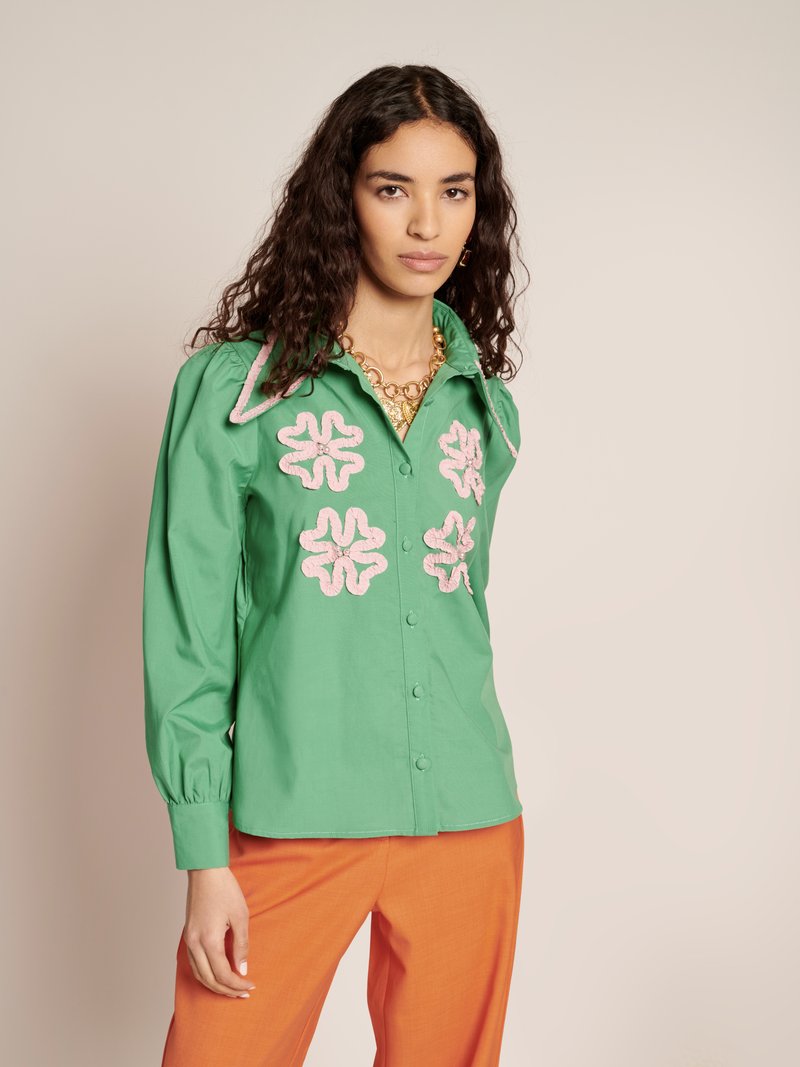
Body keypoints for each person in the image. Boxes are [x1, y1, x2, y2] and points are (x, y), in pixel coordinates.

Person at [143, 63, 530, 1067]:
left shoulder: (483, 408)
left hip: (467, 817)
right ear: (341, 197)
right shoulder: (238, 392)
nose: (426, 223)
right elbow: (187, 632)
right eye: (392, 187)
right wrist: (203, 851)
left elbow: (460, 608)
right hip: (292, 815)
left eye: (454, 191)